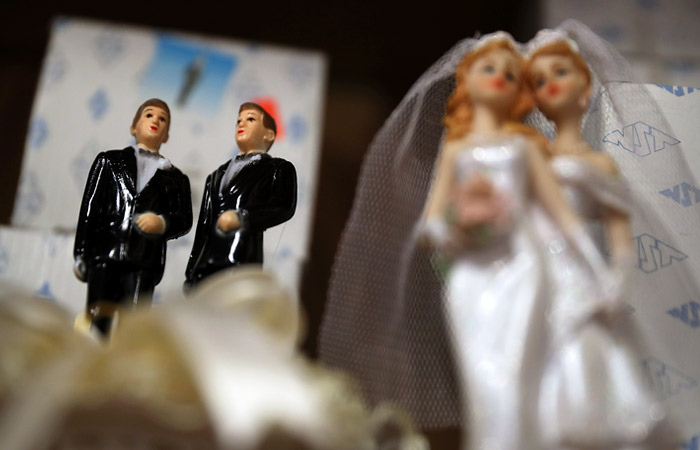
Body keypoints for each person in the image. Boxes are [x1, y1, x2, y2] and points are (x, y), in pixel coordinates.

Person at [524, 29, 681, 449]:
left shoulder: (598, 163)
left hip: (579, 277)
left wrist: (619, 277)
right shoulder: (531, 157)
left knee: (584, 361)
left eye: (560, 72)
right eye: (539, 79)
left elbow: (618, 232)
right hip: (534, 275)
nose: (550, 83)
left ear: (585, 88)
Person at [73, 98, 193, 336]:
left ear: (167, 135)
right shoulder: (109, 161)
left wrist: (162, 223)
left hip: (144, 260)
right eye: (149, 115)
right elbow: (90, 210)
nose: (155, 120)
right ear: (133, 126)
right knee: (98, 319)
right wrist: (80, 253)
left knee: (134, 325)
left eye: (162, 119)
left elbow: (184, 219)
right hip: (105, 255)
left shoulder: (176, 178)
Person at [185, 102, 297, 289]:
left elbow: (283, 206)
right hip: (206, 266)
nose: (241, 124)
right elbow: (204, 225)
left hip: (242, 260)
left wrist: (243, 217)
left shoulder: (277, 168)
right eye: (238, 121)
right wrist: (191, 272)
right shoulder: (215, 176)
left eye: (250, 119)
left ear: (269, 135)